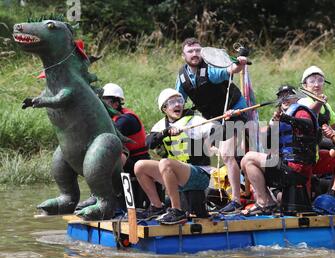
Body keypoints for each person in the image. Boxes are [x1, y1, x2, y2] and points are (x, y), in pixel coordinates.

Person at [175, 37, 249, 214]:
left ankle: (237, 201)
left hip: (234, 111)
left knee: (227, 154)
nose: (195, 54)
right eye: (190, 51)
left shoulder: (211, 70)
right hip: (214, 118)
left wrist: (240, 63)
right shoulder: (183, 77)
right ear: (183, 55)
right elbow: (177, 101)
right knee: (203, 149)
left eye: (198, 50)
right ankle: (212, 191)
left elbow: (233, 69)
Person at [134, 88, 213, 225]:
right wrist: (166, 132)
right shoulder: (160, 126)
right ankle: (157, 207)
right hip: (175, 174)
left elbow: (217, 132)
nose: (177, 105)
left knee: (165, 163)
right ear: (164, 108)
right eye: (172, 102)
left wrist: (226, 121)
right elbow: (149, 143)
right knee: (140, 166)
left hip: (200, 174)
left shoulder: (195, 120)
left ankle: (177, 211)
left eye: (180, 101)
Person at [239, 87, 321, 215]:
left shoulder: (300, 111)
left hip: (297, 168)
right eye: (282, 96)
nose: (285, 98)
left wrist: (285, 118)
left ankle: (265, 203)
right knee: (246, 162)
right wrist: (273, 127)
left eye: (288, 95)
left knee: (249, 158)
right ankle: (266, 201)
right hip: (285, 165)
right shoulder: (280, 118)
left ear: (296, 98)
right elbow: (269, 145)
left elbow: (308, 125)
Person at [101, 83, 150, 208]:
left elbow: (107, 142)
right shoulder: (113, 118)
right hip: (130, 162)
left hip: (138, 164)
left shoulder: (125, 120)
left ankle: (103, 195)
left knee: (113, 154)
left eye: (104, 101)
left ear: (116, 104)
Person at [297, 66, 335, 179]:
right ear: (304, 85)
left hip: (316, 153)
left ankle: (334, 191)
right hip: (302, 156)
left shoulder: (326, 106)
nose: (316, 84)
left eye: (320, 80)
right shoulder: (302, 101)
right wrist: (319, 102)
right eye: (312, 81)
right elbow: (309, 113)